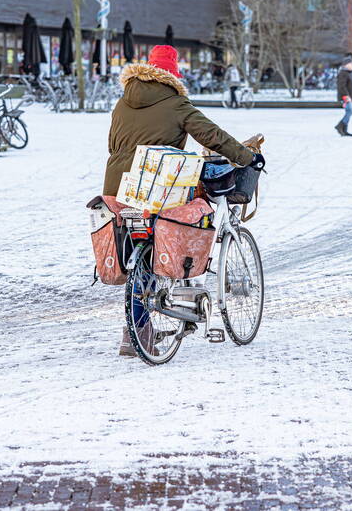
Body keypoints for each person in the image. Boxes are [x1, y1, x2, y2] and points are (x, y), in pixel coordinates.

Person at [103, 44, 264, 357]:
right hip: (157, 186)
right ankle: (182, 297)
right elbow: (211, 136)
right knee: (179, 231)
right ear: (171, 75)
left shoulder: (123, 102)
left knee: (141, 250)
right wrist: (245, 157)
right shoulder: (176, 102)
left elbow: (113, 143)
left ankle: (135, 332)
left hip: (118, 188)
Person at [335, 56, 352, 137]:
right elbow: (341, 86)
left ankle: (344, 130)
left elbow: (351, 87)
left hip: (350, 97)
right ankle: (340, 126)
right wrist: (346, 96)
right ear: (346, 65)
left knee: (349, 111)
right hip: (345, 97)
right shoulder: (343, 73)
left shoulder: (348, 73)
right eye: (351, 64)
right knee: (350, 111)